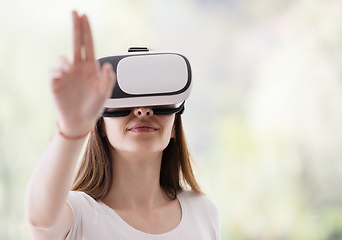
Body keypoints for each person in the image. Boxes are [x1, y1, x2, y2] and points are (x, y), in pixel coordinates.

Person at [25, 10, 220, 240]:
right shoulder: (78, 213)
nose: (143, 111)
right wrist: (70, 129)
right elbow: (40, 221)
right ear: (101, 126)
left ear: (176, 126)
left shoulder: (203, 211)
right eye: (127, 101)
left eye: (156, 101)